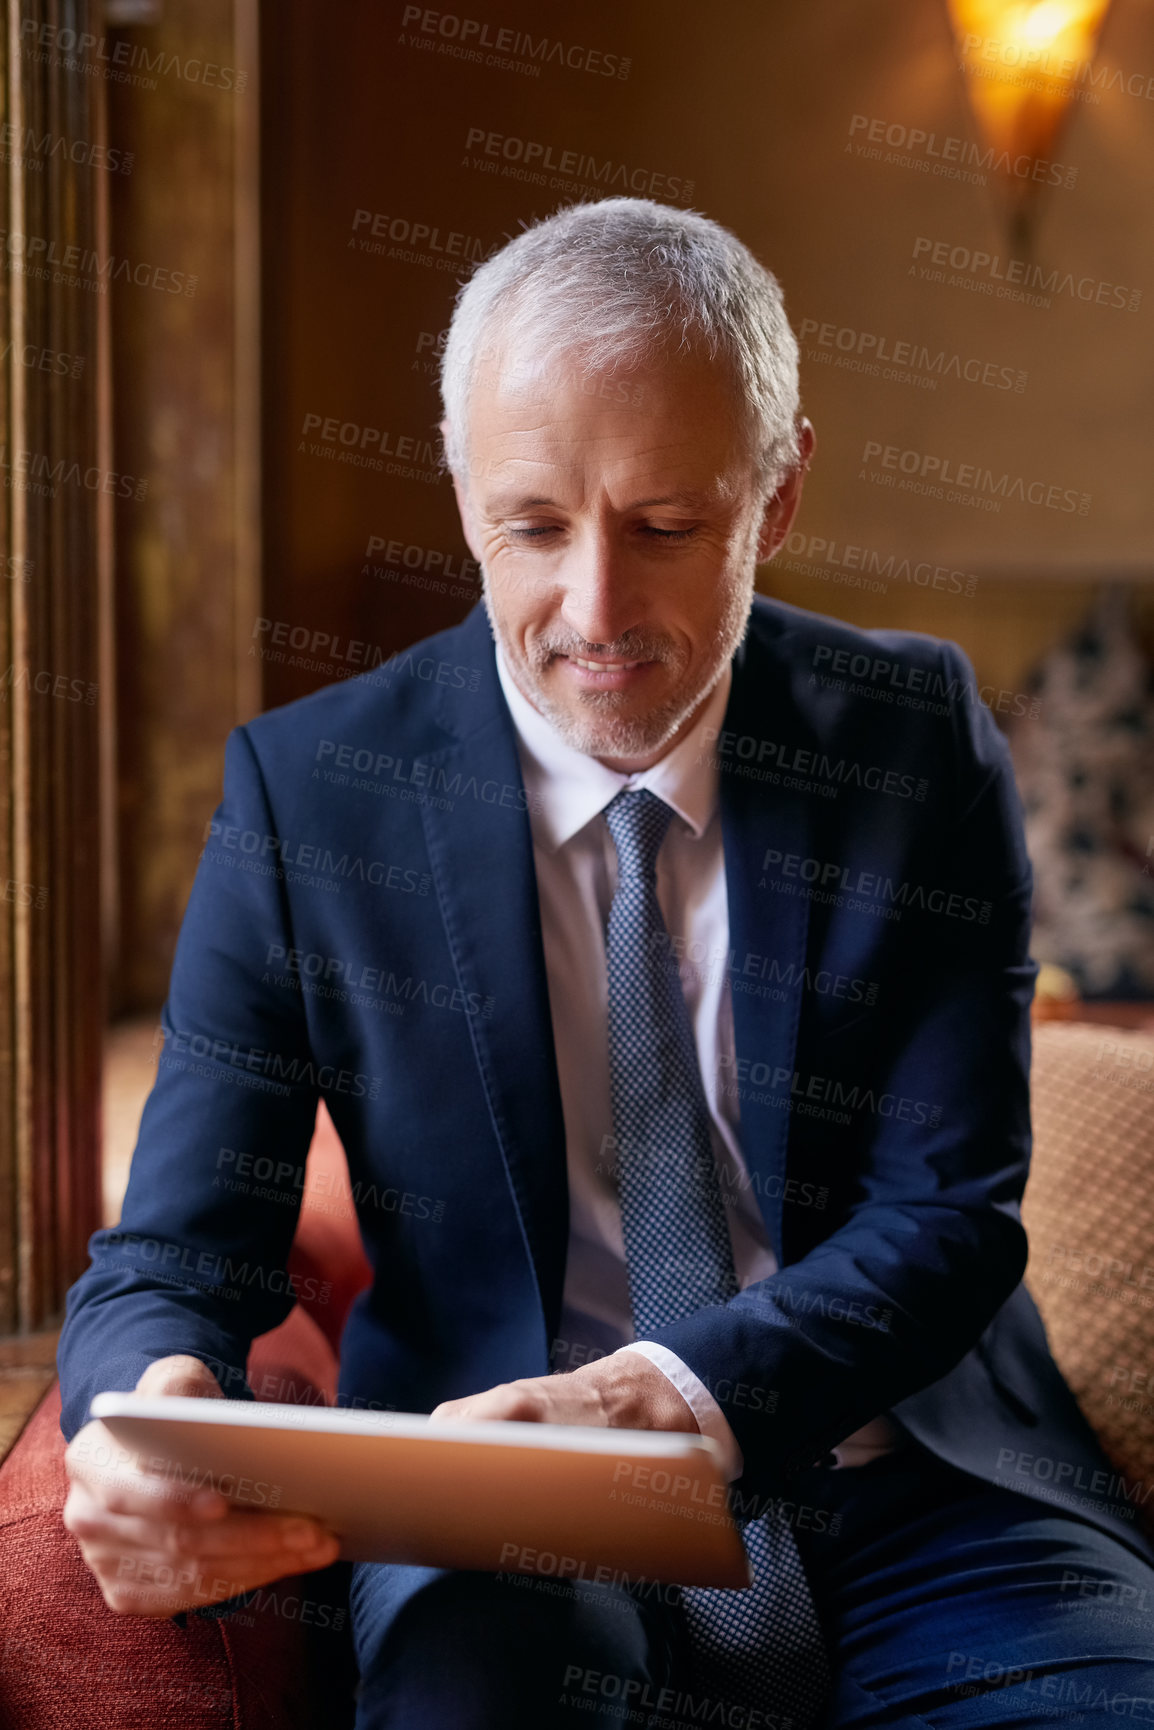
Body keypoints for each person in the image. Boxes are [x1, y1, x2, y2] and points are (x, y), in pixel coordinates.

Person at [58, 198, 1154, 1728]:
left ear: (775, 496)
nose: (593, 614)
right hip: (491, 1506)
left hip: (910, 1469)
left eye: (662, 526)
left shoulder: (914, 734)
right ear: (458, 498)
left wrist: (666, 1395)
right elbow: (175, 1252)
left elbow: (949, 1214)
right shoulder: (309, 795)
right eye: (532, 526)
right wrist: (147, 1412)